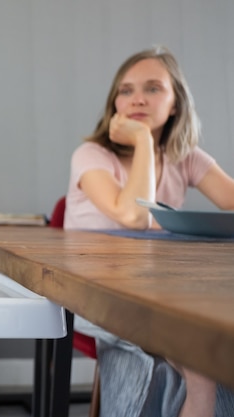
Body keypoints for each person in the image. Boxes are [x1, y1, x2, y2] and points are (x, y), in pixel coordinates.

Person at [64, 45, 234, 417]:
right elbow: (134, 217)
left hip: (158, 290)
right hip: (95, 294)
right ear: (114, 103)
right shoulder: (91, 156)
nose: (137, 98)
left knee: (214, 348)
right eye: (125, 90)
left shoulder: (184, 156)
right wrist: (142, 140)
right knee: (203, 359)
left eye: (153, 88)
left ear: (175, 104)